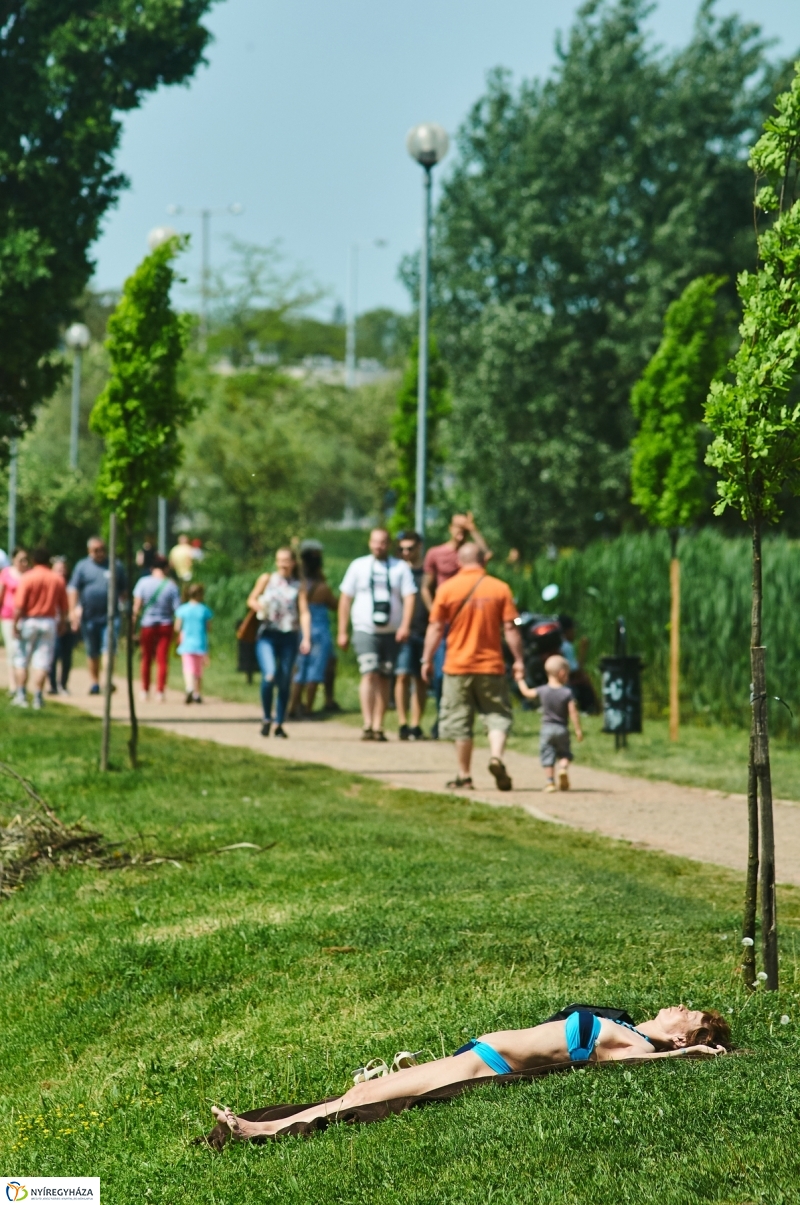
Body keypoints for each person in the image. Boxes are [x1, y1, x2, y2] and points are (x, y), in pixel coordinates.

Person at [210, 1004, 730, 1142]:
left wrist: (686, 1058)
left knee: (368, 1097)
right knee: (367, 1088)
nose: (679, 1008)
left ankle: (257, 1130)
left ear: (686, 1037)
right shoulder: (622, 1021)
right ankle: (272, 1125)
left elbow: (637, 1064)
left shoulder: (634, 1044)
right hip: (480, 1050)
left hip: (485, 1064)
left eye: (690, 1015)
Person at [421, 543, 523, 791]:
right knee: (497, 715)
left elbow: (435, 627)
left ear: (459, 562)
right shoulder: (500, 588)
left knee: (460, 721)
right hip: (491, 665)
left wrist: (426, 659)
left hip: (457, 665)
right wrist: (519, 660)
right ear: (483, 561)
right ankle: (496, 756)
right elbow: (510, 628)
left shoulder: (446, 589)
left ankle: (464, 775)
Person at [337, 528, 417, 742]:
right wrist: (342, 631)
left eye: (382, 543)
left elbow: (409, 597)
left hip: (392, 631)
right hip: (365, 628)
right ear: (369, 543)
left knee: (384, 676)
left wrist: (405, 626)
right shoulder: (358, 566)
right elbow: (345, 598)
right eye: (374, 542)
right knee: (369, 672)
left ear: (389, 544)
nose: (378, 546)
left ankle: (379, 725)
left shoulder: (400, 567)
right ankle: (367, 723)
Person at [421, 512, 492, 737]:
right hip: (446, 621)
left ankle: (466, 717)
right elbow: (426, 586)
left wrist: (473, 529)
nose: (460, 533)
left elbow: (487, 554)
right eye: (458, 528)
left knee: (470, 670)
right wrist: (435, 611)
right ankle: (442, 717)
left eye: (464, 530)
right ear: (450, 528)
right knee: (443, 672)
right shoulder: (436, 553)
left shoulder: (472, 553)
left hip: (471, 619)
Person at [247, 549, 312, 737]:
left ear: (293, 562)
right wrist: (257, 605)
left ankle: (279, 723)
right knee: (269, 675)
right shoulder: (267, 579)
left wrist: (306, 637)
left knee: (284, 680)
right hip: (267, 634)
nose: (282, 564)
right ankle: (267, 717)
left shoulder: (299, 585)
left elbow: (304, 612)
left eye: (286, 560)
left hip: (289, 636)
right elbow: (251, 598)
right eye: (279, 560)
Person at [68, 536, 127, 696]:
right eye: (95, 550)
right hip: (89, 616)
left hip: (110, 616)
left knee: (109, 648)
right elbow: (73, 588)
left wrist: (125, 608)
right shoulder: (82, 566)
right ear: (89, 551)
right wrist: (73, 610)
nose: (99, 553)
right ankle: (94, 682)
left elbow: (123, 590)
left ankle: (108, 680)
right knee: (92, 651)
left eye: (102, 549)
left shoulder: (115, 565)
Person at [11, 547, 69, 710]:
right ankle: (37, 696)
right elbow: (64, 607)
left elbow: (20, 605)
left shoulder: (28, 578)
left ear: (34, 560)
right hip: (49, 621)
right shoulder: (57, 579)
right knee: (42, 661)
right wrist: (62, 623)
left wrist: (15, 624)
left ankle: (21, 694)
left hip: (29, 620)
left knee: (22, 658)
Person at [518, 654, 584, 792]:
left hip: (546, 729)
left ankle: (550, 782)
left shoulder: (543, 690)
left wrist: (520, 680)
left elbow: (526, 693)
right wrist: (578, 730)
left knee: (547, 755)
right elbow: (573, 712)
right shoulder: (567, 692)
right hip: (562, 729)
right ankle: (563, 769)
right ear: (562, 673)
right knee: (565, 753)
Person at [288, 541, 337, 718]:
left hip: (300, 630)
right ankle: (308, 708)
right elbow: (335, 605)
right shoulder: (322, 588)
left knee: (299, 669)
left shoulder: (298, 585)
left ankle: (293, 706)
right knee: (315, 670)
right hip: (319, 631)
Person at [394, 530, 429, 740]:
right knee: (402, 675)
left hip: (424, 630)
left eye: (410, 548)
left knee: (420, 679)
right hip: (403, 632)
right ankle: (402, 722)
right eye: (402, 549)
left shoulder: (427, 572)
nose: (405, 553)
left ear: (419, 547)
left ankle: (416, 724)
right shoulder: (396, 570)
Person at [132, 554, 181, 701]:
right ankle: (160, 691)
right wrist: (178, 631)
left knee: (146, 658)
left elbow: (136, 608)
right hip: (165, 625)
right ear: (166, 568)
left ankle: (144, 690)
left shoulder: (143, 582)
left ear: (152, 568)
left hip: (147, 625)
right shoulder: (172, 585)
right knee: (162, 659)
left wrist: (133, 628)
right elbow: (177, 610)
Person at [174, 583, 213, 703]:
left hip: (187, 642)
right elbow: (208, 628)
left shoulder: (183, 609)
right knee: (198, 669)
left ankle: (189, 687)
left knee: (188, 668)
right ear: (200, 595)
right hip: (201, 643)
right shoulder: (204, 610)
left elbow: (177, 627)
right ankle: (197, 693)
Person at [0, 547, 29, 694]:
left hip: (27, 616)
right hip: (9, 616)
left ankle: (22, 683)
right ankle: (13, 683)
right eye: (21, 560)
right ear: (14, 560)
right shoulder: (6, 574)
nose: (24, 563)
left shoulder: (29, 575)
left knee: (25, 651)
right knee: (12, 649)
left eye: (25, 560)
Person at [558, 613, 599, 714]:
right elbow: (576, 672)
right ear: (567, 630)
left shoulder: (557, 643)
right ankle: (590, 710)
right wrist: (583, 650)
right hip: (567, 682)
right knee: (585, 680)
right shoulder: (566, 646)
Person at [47, 557, 74, 696]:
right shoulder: (50, 585)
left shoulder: (71, 586)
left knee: (67, 656)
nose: (62, 572)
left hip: (67, 625)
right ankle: (52, 685)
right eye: (58, 569)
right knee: (53, 655)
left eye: (63, 569)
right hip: (53, 624)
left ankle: (63, 684)